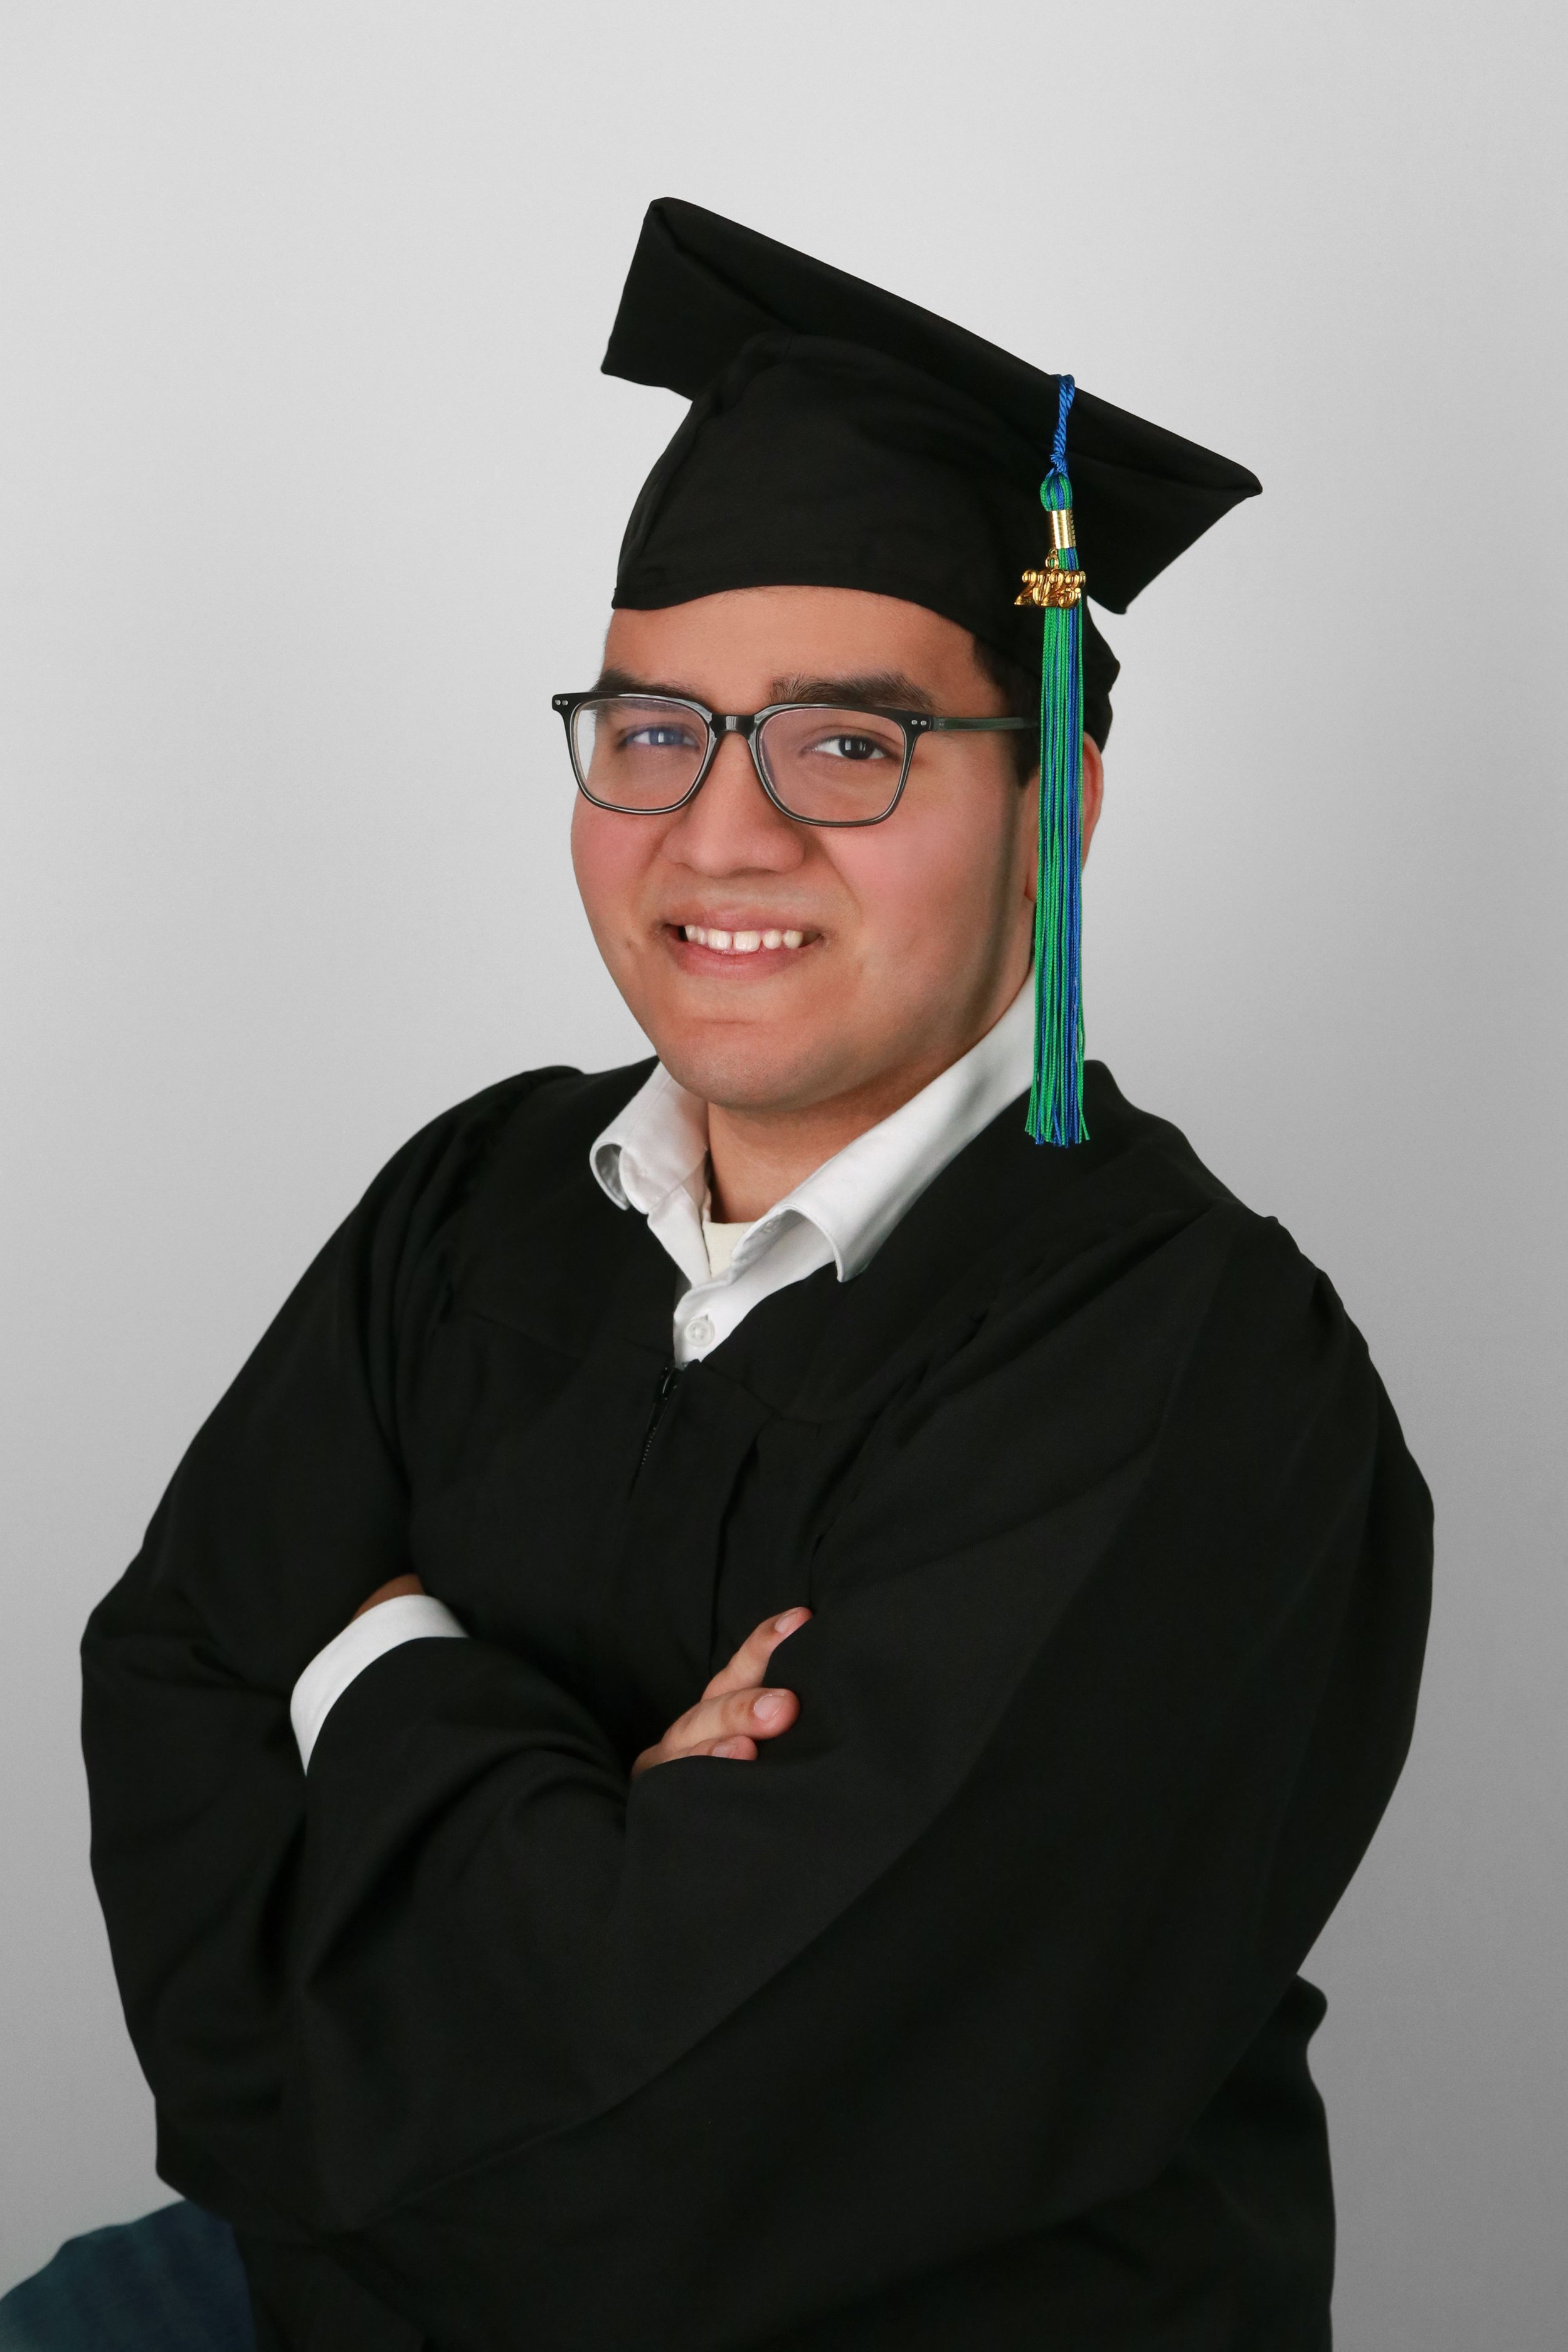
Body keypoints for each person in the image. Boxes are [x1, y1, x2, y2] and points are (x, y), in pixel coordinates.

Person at [73, 199, 1432, 2352]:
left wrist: (382, 1677)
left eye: (846, 741)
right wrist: (609, 1845)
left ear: (1053, 802)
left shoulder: (1190, 1371)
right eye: (649, 730)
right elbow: (162, 1719)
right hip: (301, 2284)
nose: (717, 834)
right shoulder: (474, 1197)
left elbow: (733, 2131)